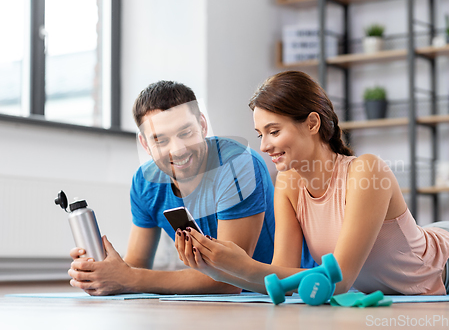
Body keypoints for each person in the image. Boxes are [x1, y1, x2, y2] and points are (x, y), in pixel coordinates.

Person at [176, 71, 449, 296]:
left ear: (312, 123)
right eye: (261, 135)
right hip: (425, 246)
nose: (264, 146)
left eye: (274, 131)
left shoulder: (366, 171)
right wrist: (218, 268)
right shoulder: (288, 184)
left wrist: (244, 267)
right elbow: (282, 277)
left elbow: (340, 280)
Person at [68, 80, 289, 295]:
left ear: (202, 125)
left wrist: (127, 278)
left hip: (277, 291)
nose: (178, 150)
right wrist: (104, 273)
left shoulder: (239, 165)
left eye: (186, 133)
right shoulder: (145, 182)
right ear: (145, 144)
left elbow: (232, 279)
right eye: (161, 141)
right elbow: (136, 265)